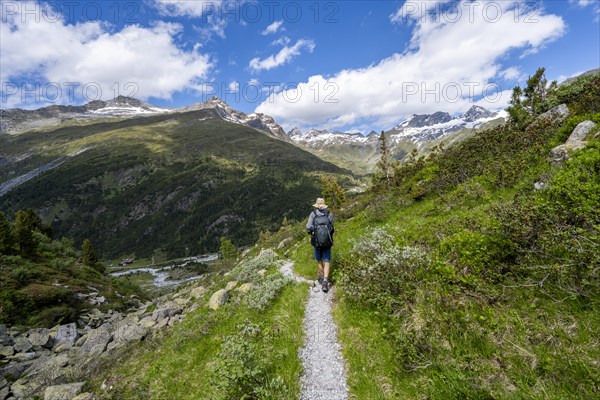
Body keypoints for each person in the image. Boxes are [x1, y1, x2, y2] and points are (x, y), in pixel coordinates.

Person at [306, 198, 335, 292]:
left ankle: (322, 279)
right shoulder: (329, 214)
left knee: (319, 260)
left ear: (317, 205)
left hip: (317, 242)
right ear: (324, 205)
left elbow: (308, 227)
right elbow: (332, 227)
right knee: (327, 260)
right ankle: (326, 280)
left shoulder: (313, 214)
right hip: (327, 241)